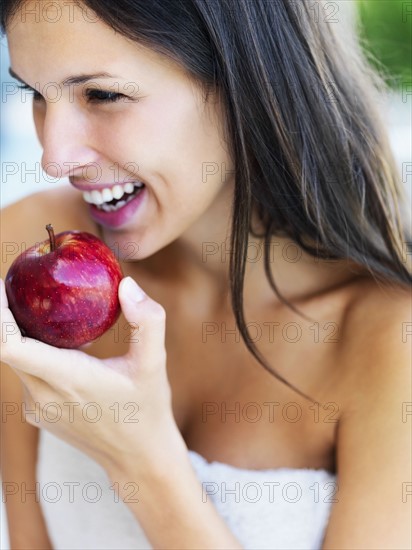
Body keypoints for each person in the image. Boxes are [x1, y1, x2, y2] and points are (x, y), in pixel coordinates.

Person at [1, 1, 411, 548]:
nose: (55, 155)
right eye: (36, 94)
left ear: (244, 81)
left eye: (102, 95)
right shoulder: (27, 240)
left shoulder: (388, 339)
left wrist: (142, 464)